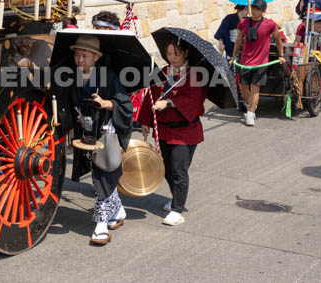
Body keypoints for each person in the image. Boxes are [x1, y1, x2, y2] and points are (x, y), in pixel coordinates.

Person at [54, 35, 133, 246]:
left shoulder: (109, 77)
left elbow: (125, 105)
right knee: (99, 174)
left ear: (96, 57)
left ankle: (100, 225)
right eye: (77, 54)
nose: (79, 59)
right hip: (85, 132)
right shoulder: (71, 76)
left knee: (102, 175)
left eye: (84, 55)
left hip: (105, 131)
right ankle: (118, 210)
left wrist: (105, 102)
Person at [136, 39, 207, 226]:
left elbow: (195, 100)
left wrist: (168, 103)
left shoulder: (196, 74)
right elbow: (150, 95)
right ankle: (177, 198)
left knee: (178, 169)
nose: (172, 58)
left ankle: (177, 210)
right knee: (165, 168)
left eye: (176, 54)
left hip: (185, 131)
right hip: (164, 128)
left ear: (185, 53)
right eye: (168, 54)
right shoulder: (164, 73)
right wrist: (145, 121)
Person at [231, 0, 284, 126]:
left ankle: (250, 114)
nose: (254, 10)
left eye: (258, 9)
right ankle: (251, 106)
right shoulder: (243, 23)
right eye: (253, 7)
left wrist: (281, 55)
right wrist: (233, 57)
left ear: (263, 11)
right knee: (243, 87)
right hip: (245, 61)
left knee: (255, 88)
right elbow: (238, 40)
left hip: (261, 62)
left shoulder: (270, 24)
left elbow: (278, 40)